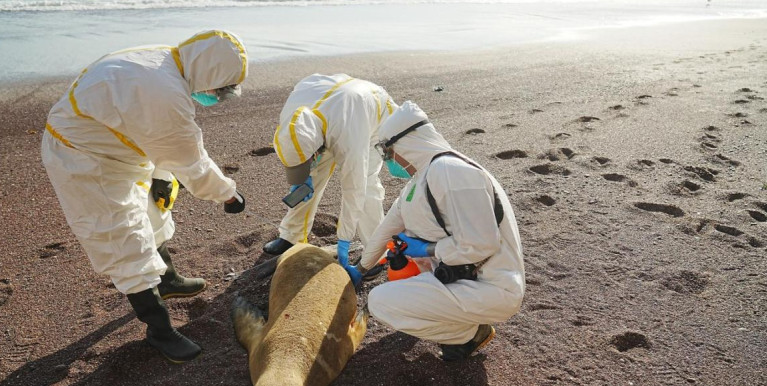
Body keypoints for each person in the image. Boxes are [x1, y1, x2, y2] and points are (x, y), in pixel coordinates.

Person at [41, 29, 249, 363]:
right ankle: (160, 331)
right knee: (124, 237)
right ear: (209, 72)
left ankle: (167, 279)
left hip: (120, 144)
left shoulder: (168, 60)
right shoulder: (164, 94)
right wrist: (228, 194)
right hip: (85, 159)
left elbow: (152, 132)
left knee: (154, 212)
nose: (217, 95)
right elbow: (192, 162)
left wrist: (160, 175)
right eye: (220, 88)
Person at [353, 101, 525, 361]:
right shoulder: (421, 181)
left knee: (380, 302)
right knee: (400, 275)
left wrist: (427, 249)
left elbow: (481, 245)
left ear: (406, 142)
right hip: (462, 277)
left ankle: (466, 334)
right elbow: (387, 229)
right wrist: (360, 269)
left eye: (388, 152)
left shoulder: (453, 173)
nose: (389, 161)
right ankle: (461, 324)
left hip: (494, 287)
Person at [265, 73, 398, 273]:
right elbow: (298, 147)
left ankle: (375, 251)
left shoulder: (349, 137)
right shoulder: (291, 119)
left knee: (367, 184)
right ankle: (291, 236)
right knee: (314, 173)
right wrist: (301, 177)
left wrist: (344, 238)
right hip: (334, 110)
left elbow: (355, 188)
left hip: (371, 117)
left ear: (317, 147)